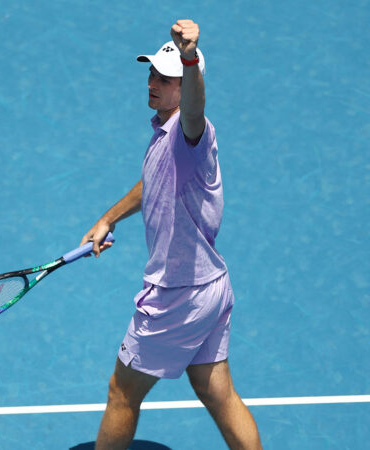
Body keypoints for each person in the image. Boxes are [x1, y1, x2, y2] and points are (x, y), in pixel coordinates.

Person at [80, 20, 263, 449]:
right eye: (151, 73)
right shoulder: (164, 136)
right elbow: (152, 182)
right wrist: (110, 217)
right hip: (212, 287)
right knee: (217, 393)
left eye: (166, 78)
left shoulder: (190, 132)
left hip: (176, 295)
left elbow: (197, 109)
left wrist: (190, 57)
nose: (153, 83)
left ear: (185, 85)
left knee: (122, 393)